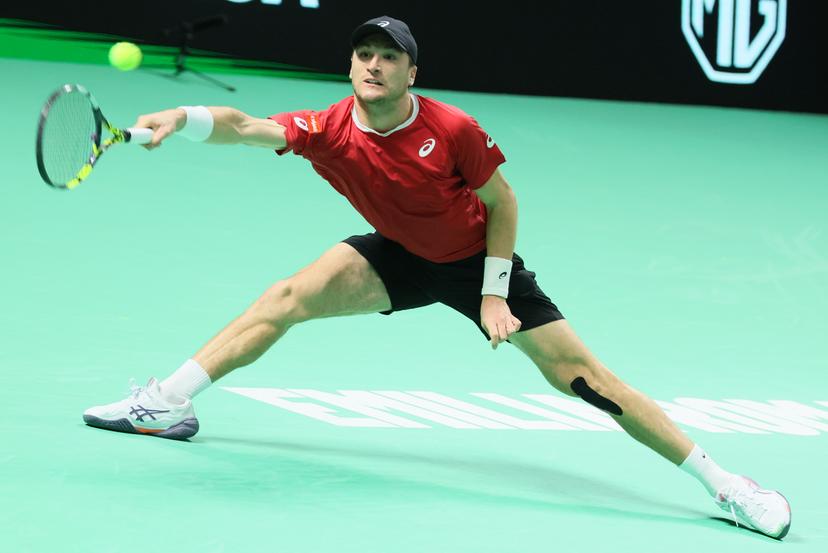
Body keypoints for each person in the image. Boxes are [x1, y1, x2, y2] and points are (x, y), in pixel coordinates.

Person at [83, 16, 791, 539]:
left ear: (410, 73)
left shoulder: (452, 129)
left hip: (479, 264)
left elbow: (503, 203)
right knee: (287, 297)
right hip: (398, 254)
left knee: (584, 378)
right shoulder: (329, 126)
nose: (372, 65)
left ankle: (728, 486)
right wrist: (183, 115)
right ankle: (168, 404)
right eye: (363, 54)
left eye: (388, 57)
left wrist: (491, 291)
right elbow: (244, 126)